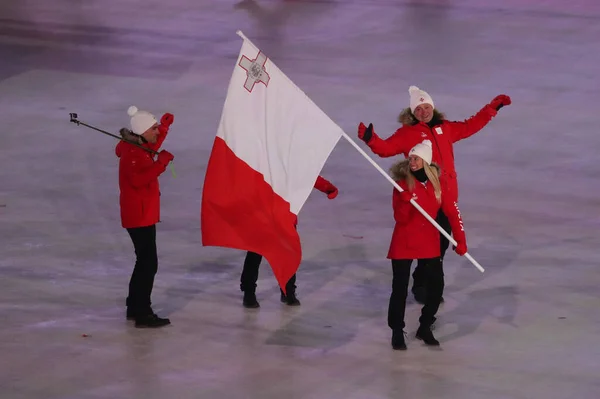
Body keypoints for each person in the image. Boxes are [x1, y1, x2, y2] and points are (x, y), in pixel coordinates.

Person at [358, 85, 510, 304]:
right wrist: (371, 139)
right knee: (425, 244)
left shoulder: (445, 128)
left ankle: (429, 280)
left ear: (433, 107)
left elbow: (471, 126)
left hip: (447, 197)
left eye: (426, 107)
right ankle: (421, 285)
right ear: (412, 112)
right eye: (418, 109)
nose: (423, 112)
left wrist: (492, 109)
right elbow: (385, 148)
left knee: (441, 244)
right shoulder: (406, 134)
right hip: (424, 199)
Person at [386, 140, 467, 350]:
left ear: (426, 161)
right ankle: (397, 329)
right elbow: (400, 219)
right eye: (411, 158)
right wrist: (404, 201)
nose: (412, 162)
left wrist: (460, 239)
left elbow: (452, 212)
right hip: (404, 241)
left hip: (429, 241)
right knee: (400, 288)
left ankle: (425, 325)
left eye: (416, 159)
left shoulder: (439, 184)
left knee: (436, 286)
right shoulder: (402, 184)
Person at [115, 105, 175, 328]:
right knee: (148, 263)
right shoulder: (132, 154)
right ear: (142, 132)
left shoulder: (138, 144)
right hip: (138, 216)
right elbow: (139, 181)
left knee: (145, 262)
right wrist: (161, 163)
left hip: (142, 213)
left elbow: (152, 146)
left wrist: (166, 126)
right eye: (155, 129)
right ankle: (142, 312)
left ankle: (135, 306)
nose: (157, 132)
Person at [240, 175, 339, 308]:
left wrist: (327, 187)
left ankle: (288, 291)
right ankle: (249, 292)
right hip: (262, 213)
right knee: (255, 254)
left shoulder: (290, 159)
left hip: (285, 215)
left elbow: (306, 173)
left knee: (287, 256)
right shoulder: (263, 157)